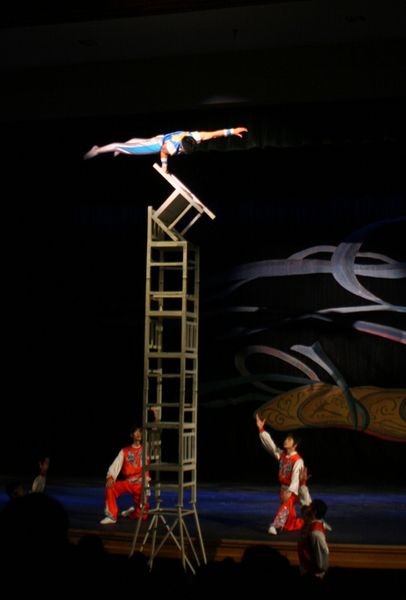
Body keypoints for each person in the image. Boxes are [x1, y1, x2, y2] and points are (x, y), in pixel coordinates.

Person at [84, 127, 248, 172]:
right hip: (159, 144)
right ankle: (98, 150)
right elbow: (163, 151)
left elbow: (213, 134)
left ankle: (128, 144)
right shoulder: (171, 148)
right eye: (182, 151)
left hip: (162, 136)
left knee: (136, 142)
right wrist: (164, 167)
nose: (182, 153)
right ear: (181, 147)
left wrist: (233, 131)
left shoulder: (196, 136)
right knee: (123, 147)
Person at [256, 413, 311, 535]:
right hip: (283, 489)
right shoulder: (282, 455)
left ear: (295, 444)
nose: (286, 440)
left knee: (286, 505)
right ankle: (307, 522)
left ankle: (275, 526)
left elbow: (296, 478)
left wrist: (290, 492)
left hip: (292, 490)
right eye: (287, 438)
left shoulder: (297, 460)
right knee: (291, 522)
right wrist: (261, 429)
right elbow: (271, 447)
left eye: (289, 439)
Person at [100, 425, 151, 525]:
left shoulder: (147, 449)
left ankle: (132, 512)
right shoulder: (125, 451)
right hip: (129, 482)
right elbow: (116, 464)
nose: (138, 434)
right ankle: (111, 516)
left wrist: (156, 417)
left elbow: (156, 434)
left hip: (141, 484)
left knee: (142, 516)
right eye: (136, 432)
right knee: (110, 486)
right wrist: (111, 477)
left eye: (140, 432)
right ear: (131, 435)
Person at [297, 499, 330, 580]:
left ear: (314, 511)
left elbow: (323, 553)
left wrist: (317, 572)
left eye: (310, 506)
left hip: (313, 575)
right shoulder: (309, 525)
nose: (307, 507)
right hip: (306, 570)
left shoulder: (315, 532)